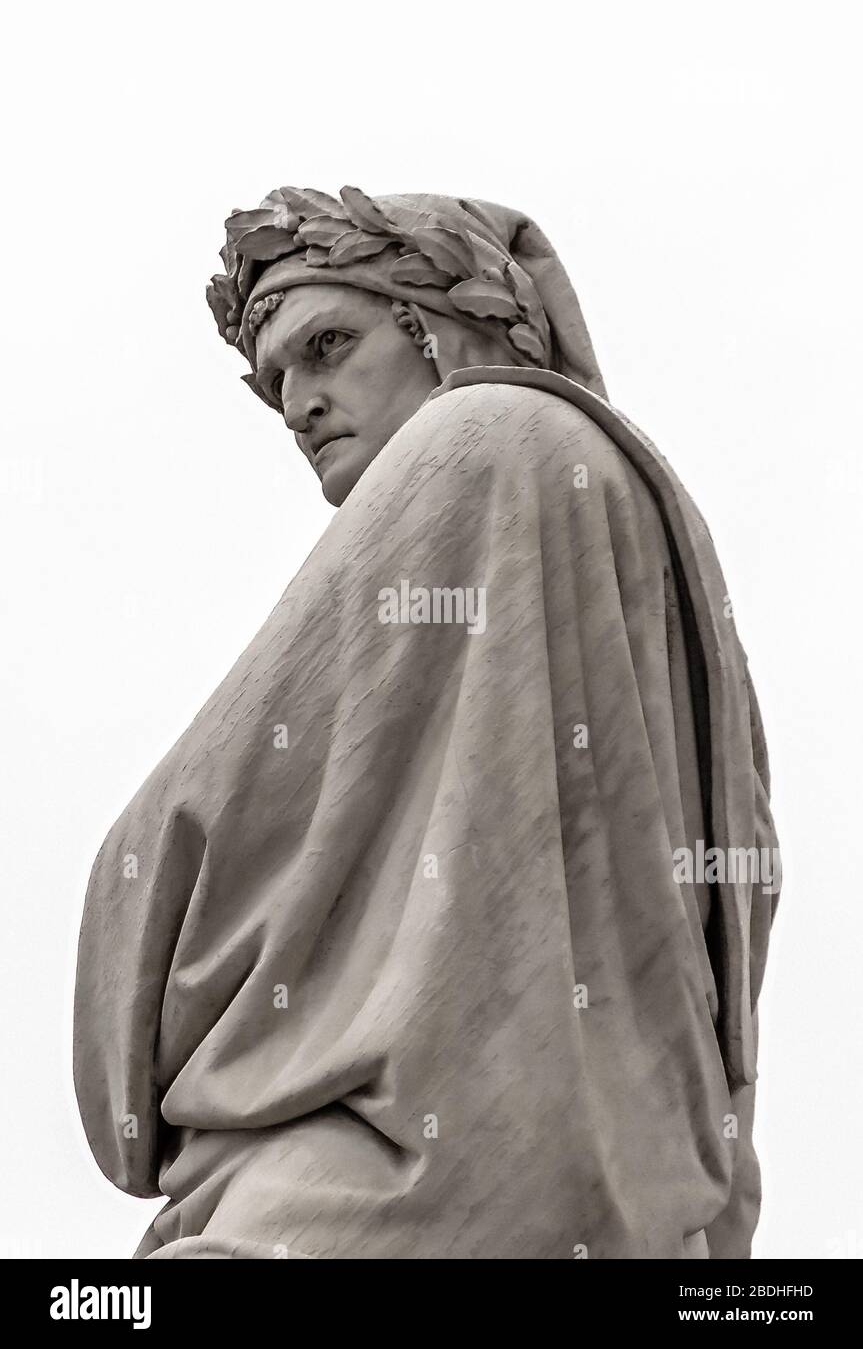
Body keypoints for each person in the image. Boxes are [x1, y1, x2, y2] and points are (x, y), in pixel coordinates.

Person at [73, 186, 779, 1259]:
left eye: (326, 345)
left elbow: (187, 825)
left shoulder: (481, 433)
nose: (299, 403)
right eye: (274, 386)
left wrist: (132, 949)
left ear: (437, 330)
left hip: (374, 1176)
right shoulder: (632, 510)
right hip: (623, 1186)